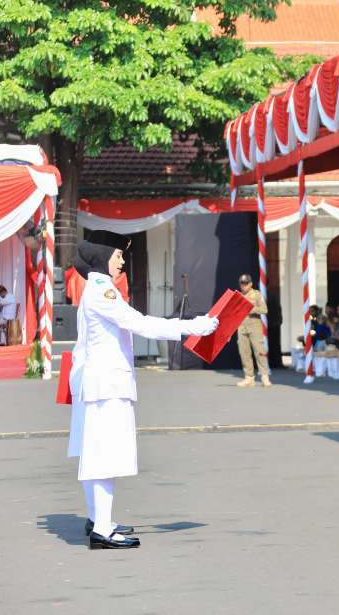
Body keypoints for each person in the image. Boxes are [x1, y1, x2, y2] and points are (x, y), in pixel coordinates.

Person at [67, 231, 218, 549]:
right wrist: (192, 327)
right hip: (107, 385)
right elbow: (141, 324)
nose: (122, 261)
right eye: (118, 255)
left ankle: (100, 521)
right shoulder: (102, 292)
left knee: (95, 456)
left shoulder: (96, 289)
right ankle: (103, 531)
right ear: (102, 256)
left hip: (98, 383)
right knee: (104, 458)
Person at [235, 274, 271, 388]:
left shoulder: (256, 295)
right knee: (244, 353)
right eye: (242, 284)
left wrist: (251, 308)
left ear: (250, 284)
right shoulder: (238, 296)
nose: (243, 286)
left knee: (259, 351)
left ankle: (265, 376)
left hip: (254, 326)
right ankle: (249, 378)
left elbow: (264, 309)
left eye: (246, 284)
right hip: (241, 327)